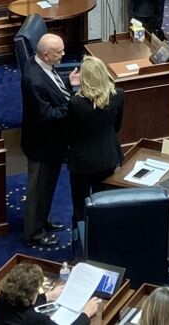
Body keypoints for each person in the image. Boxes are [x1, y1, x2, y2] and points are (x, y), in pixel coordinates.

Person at [21, 31, 76, 245]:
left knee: (47, 187)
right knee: (38, 189)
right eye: (58, 52)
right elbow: (47, 115)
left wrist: (68, 84)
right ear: (45, 55)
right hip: (42, 145)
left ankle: (42, 221)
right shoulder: (34, 80)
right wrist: (72, 104)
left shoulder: (38, 65)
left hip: (50, 143)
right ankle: (34, 233)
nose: (63, 54)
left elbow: (53, 87)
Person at [67, 55, 124, 223]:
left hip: (82, 162)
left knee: (80, 205)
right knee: (104, 202)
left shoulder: (76, 103)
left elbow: (70, 133)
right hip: (108, 157)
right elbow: (117, 126)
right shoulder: (118, 95)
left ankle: (81, 240)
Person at [0, 261, 102, 325]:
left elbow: (22, 303)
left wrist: (47, 296)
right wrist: (86, 313)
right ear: (32, 293)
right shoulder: (36, 320)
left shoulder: (0, 300)